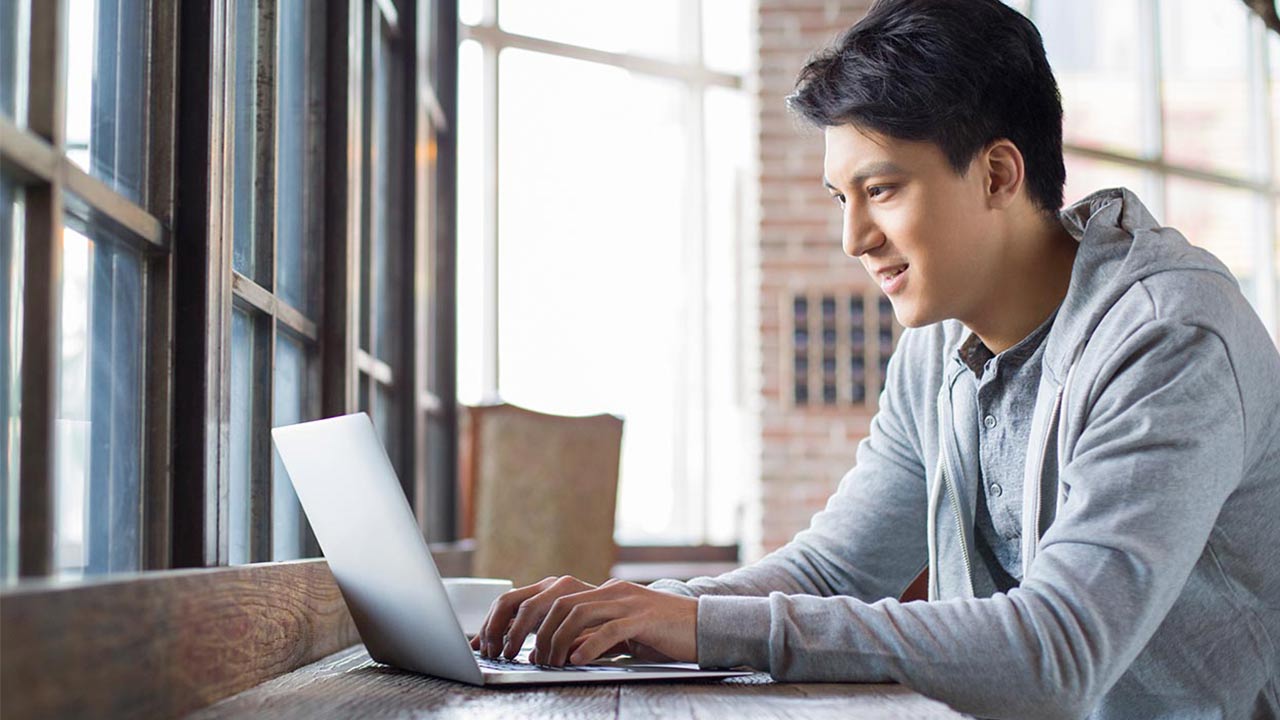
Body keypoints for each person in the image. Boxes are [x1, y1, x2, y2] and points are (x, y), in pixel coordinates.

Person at [471, 1, 1280, 717]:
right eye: (841, 198)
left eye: (882, 190)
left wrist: (706, 625)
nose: (853, 239)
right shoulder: (938, 344)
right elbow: (834, 569)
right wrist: (646, 611)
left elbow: (1056, 653)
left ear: (998, 174)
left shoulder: (1168, 338)